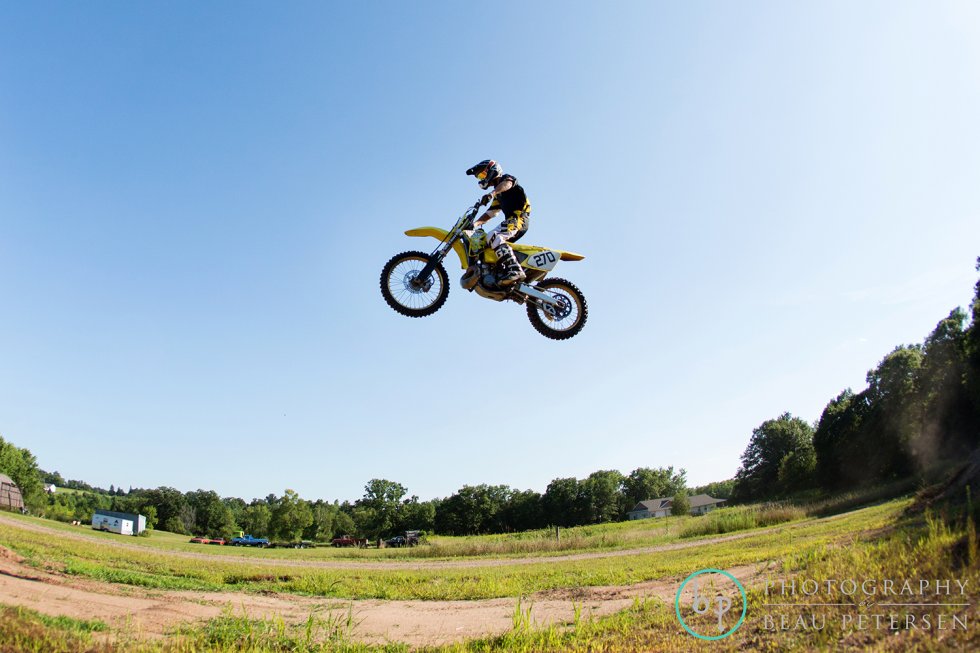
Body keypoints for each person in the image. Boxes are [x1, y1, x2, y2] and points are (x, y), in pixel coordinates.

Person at [465, 159, 531, 286]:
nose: (482, 178)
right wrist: (475, 224)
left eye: (483, 174)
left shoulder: (506, 180)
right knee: (484, 242)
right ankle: (497, 272)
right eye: (480, 177)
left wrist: (492, 193)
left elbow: (507, 184)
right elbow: (492, 212)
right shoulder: (498, 196)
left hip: (518, 218)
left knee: (493, 236)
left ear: (492, 170)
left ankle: (515, 270)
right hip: (510, 221)